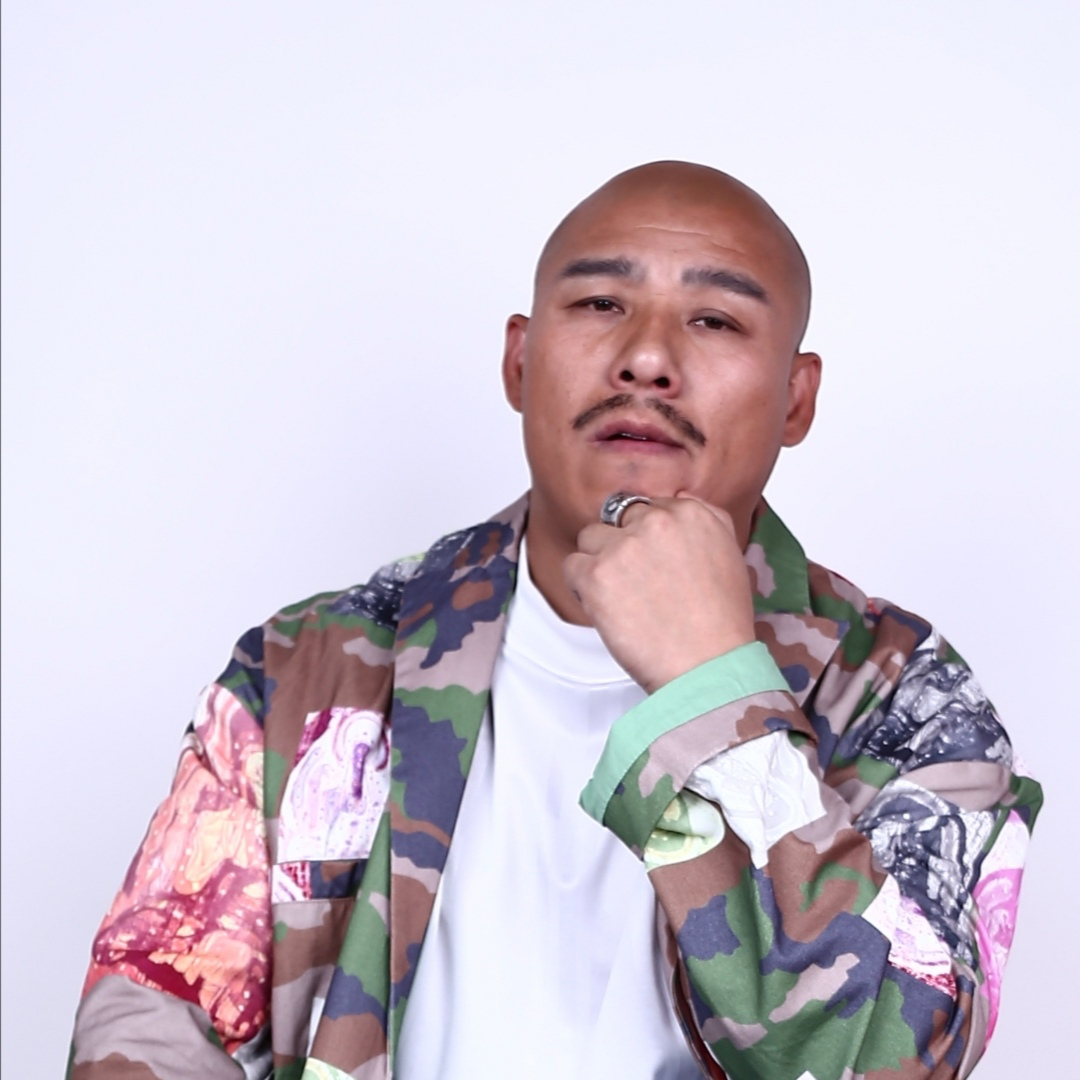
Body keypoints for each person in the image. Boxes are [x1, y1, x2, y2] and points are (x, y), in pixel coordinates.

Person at [68, 162, 1042, 1080]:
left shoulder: (909, 704)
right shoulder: (305, 672)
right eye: (601, 304)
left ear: (796, 398)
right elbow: (150, 1021)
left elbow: (888, 1059)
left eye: (713, 319)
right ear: (520, 361)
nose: (647, 358)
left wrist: (713, 687)